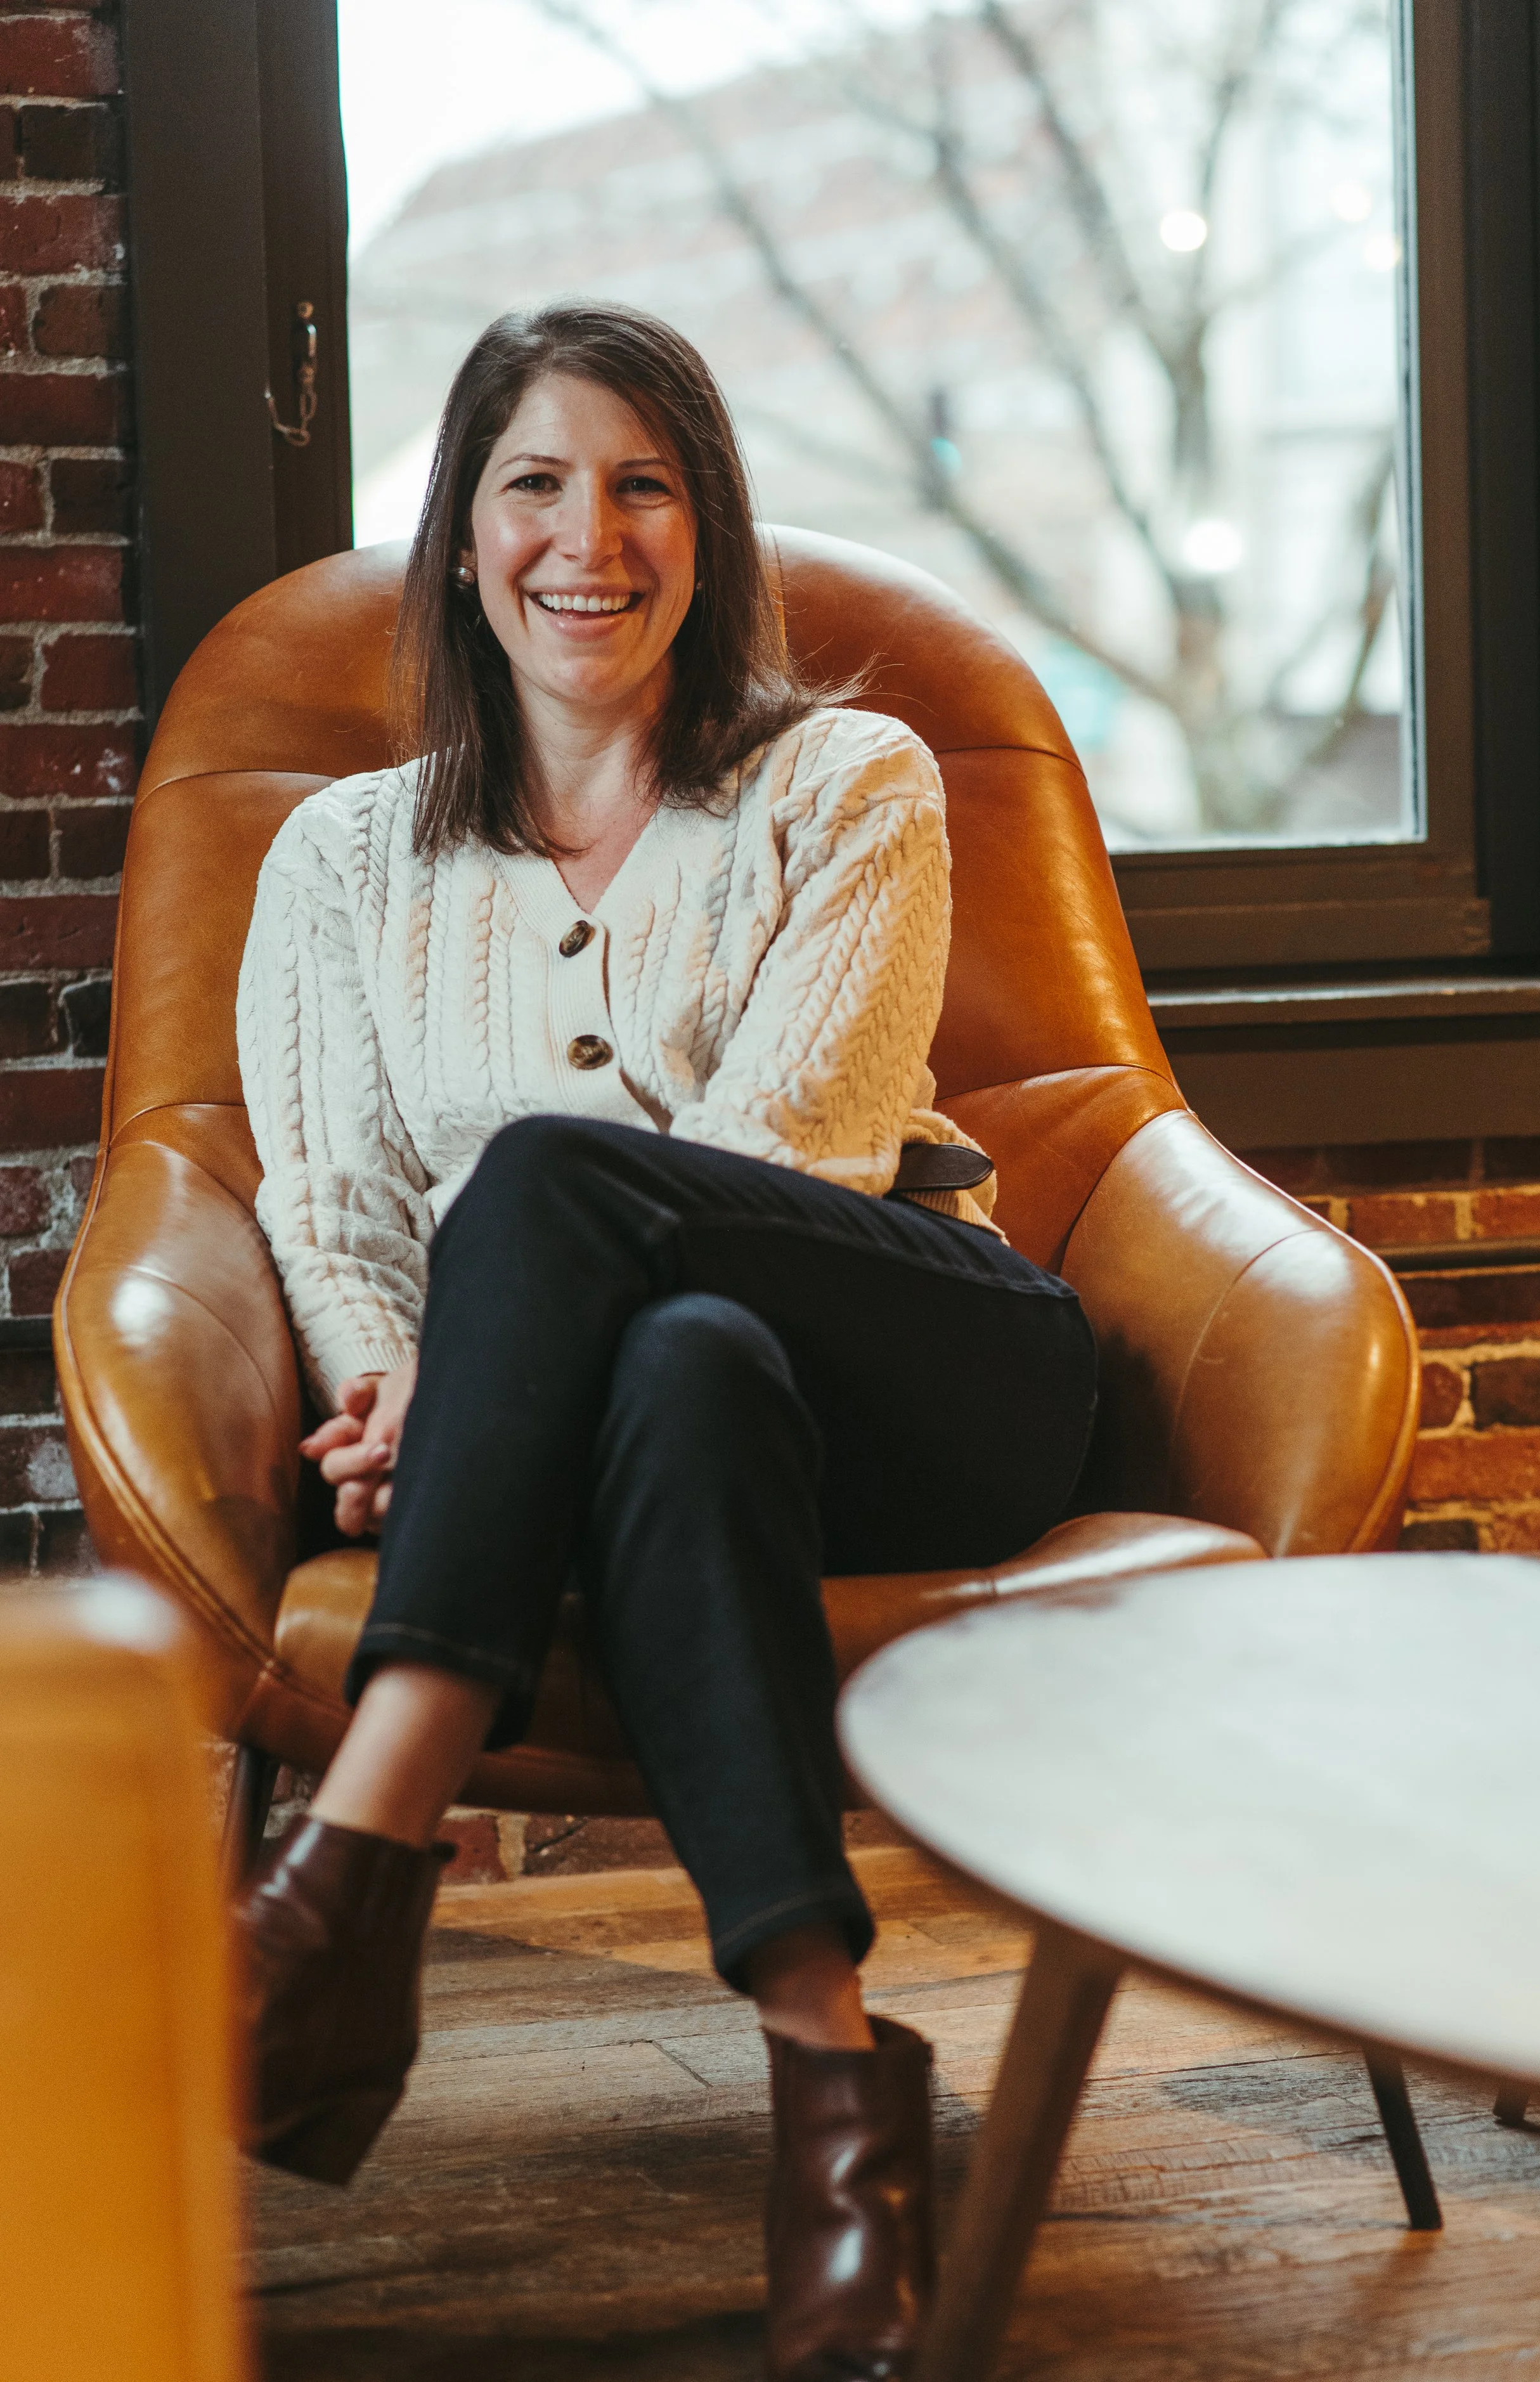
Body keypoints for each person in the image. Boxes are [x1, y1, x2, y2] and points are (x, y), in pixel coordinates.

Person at [234, 298, 1096, 2382]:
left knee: (567, 1189)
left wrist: (450, 1401)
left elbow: (781, 1150)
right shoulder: (341, 859)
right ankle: (834, 2107)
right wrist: (385, 1377)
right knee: (679, 1366)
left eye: (643, 483)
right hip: (682, 1400)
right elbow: (331, 1201)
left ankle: (351, 1863)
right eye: (533, 481)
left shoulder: (846, 776)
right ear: (461, 532)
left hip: (928, 1356)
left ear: (708, 530)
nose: (584, 536)